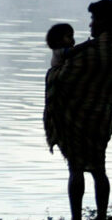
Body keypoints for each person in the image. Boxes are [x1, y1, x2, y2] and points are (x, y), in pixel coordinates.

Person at [47, 0, 112, 220]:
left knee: (76, 169)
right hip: (103, 121)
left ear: (102, 21)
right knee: (99, 169)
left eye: (93, 19)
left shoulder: (88, 54)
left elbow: (61, 79)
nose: (90, 25)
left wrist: (53, 71)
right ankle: (101, 216)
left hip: (79, 120)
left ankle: (76, 218)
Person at [44, 23, 76, 155]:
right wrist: (89, 45)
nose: (73, 40)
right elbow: (74, 51)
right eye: (69, 37)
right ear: (58, 41)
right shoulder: (59, 52)